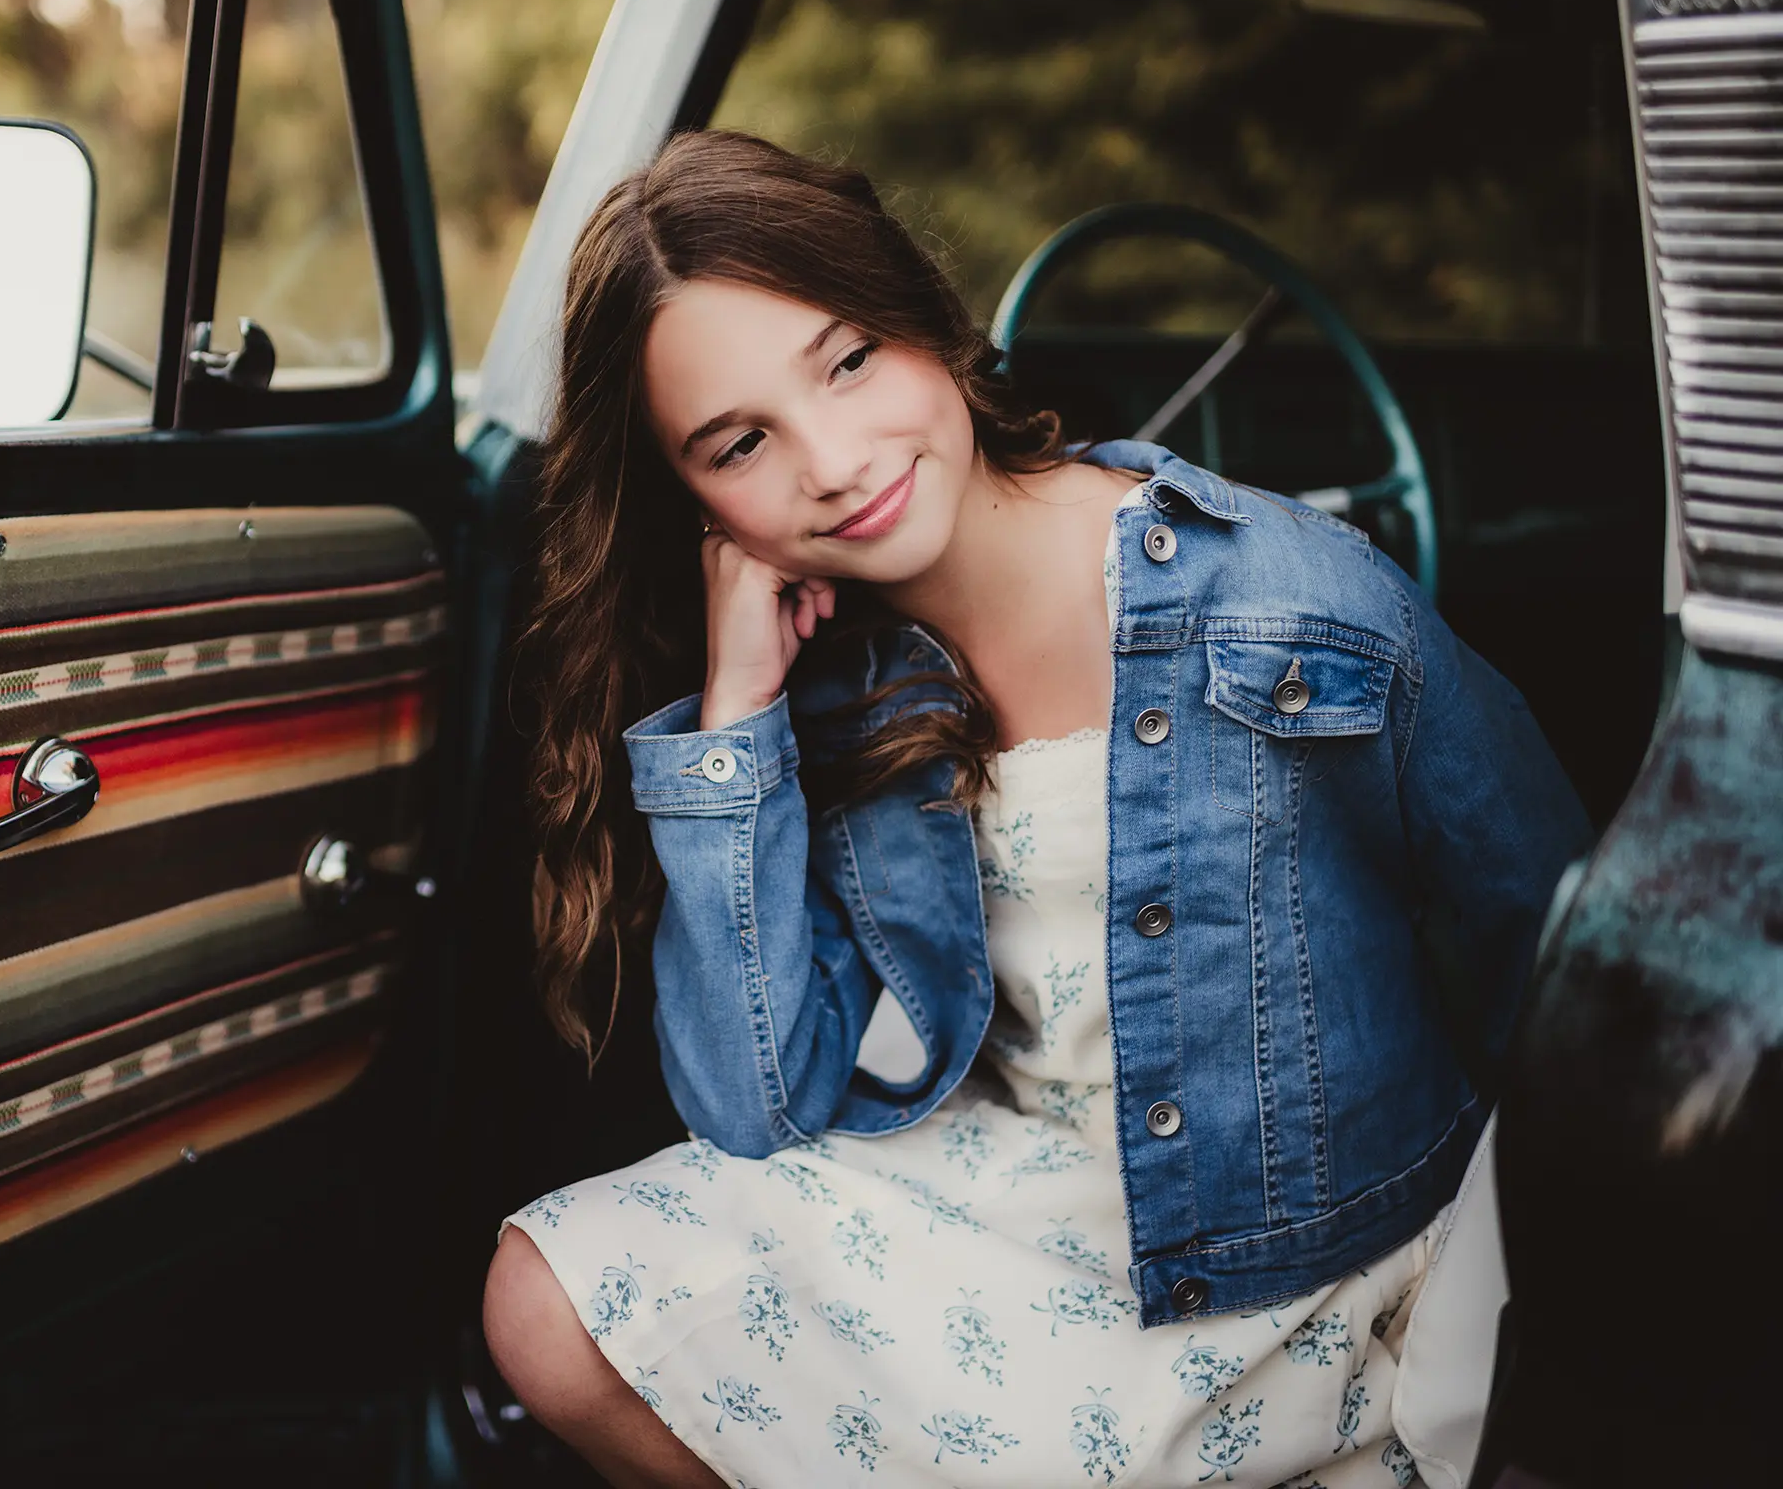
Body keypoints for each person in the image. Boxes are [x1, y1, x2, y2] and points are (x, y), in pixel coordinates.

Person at [480, 129, 1591, 1489]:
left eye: (848, 359)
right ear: (694, 502)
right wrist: (737, 711)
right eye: (740, 443)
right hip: (1025, 1203)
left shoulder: (1295, 605)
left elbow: (1557, 956)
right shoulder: (828, 685)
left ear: (927, 321)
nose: (831, 461)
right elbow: (756, 1101)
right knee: (544, 1297)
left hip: (1296, 1262)